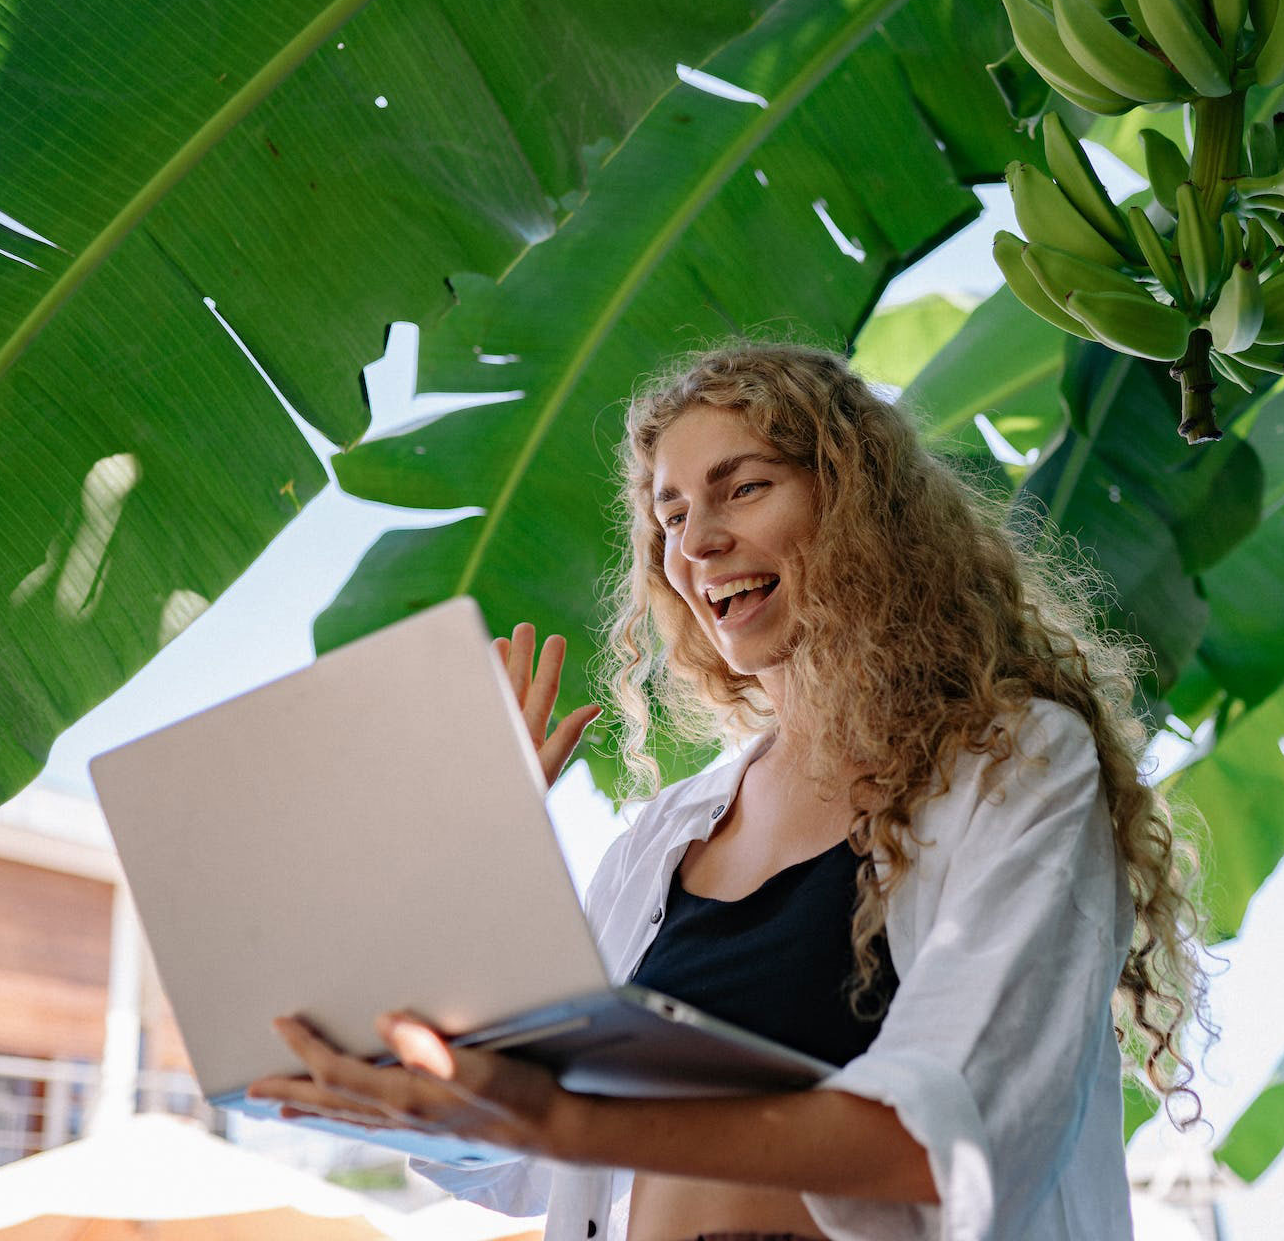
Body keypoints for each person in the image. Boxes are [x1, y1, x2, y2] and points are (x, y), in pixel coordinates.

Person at [248, 340, 1209, 1241]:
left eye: (742, 488)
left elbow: (949, 1135)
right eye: (669, 517)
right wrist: (474, 862)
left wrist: (567, 1122)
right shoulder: (665, 837)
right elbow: (505, 1155)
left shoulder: (1014, 764)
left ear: (859, 505)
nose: (697, 542)